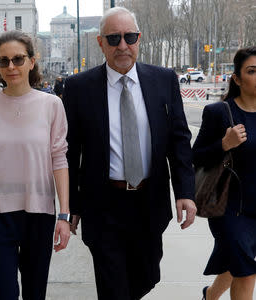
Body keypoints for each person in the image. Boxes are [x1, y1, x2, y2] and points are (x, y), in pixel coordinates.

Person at [62, 7, 196, 299]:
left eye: (129, 37)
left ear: (139, 39)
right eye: (113, 38)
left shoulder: (163, 80)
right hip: (103, 205)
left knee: (146, 277)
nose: (122, 45)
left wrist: (185, 191)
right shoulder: (78, 88)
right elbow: (70, 153)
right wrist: (71, 204)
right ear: (100, 43)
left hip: (150, 202)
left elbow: (179, 139)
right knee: (114, 287)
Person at [0, 30, 70, 300]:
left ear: (32, 62)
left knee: (35, 292)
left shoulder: (52, 105)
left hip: (39, 213)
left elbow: (59, 158)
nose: (11, 67)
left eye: (18, 59)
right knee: (5, 291)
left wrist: (64, 215)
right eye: (3, 61)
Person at [193, 46, 256, 300]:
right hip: (231, 207)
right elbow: (194, 157)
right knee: (246, 270)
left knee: (236, 263)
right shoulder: (220, 113)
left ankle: (210, 296)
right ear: (238, 79)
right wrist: (224, 145)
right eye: (252, 71)